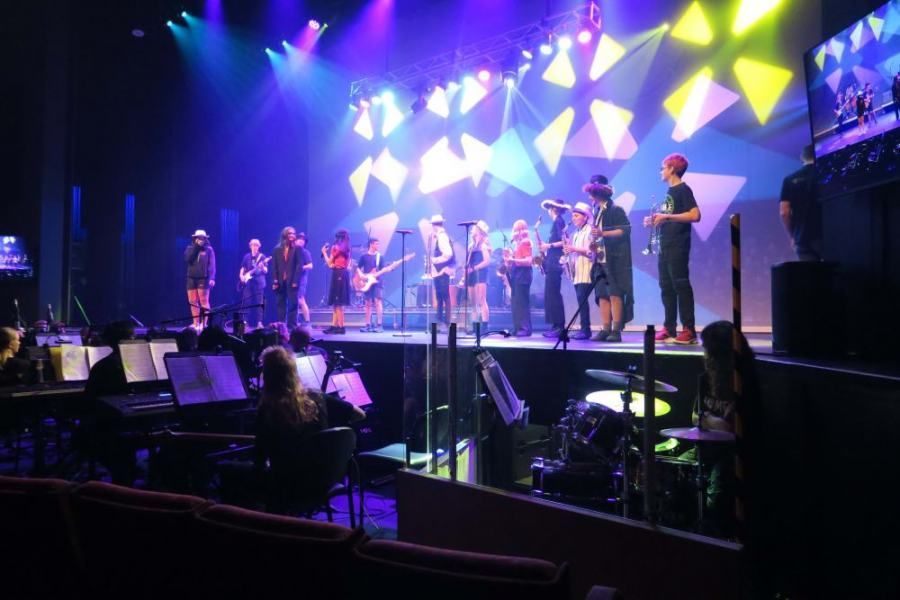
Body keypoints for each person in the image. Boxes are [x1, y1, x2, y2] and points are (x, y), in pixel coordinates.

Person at [689, 320, 759, 539]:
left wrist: (707, 420)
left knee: (717, 492)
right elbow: (694, 417)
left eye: (707, 350)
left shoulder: (743, 384)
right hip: (706, 447)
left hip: (733, 455)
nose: (704, 355)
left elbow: (732, 428)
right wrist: (710, 421)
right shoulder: (705, 380)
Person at [254, 346, 365, 473]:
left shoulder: (268, 409)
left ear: (267, 375)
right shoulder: (317, 396)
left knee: (228, 468)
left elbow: (259, 460)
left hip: (288, 483)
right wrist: (331, 431)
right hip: (325, 478)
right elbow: (360, 414)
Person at [645, 154, 702, 344]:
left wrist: (666, 217)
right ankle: (669, 328)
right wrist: (656, 221)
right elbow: (669, 216)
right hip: (665, 245)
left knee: (681, 285)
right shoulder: (669, 192)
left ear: (672, 169)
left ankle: (689, 330)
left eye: (663, 167)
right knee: (666, 287)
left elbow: (695, 215)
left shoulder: (683, 189)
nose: (661, 171)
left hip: (678, 245)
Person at [584, 178, 634, 343]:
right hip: (600, 259)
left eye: (591, 194)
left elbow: (625, 230)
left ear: (597, 194)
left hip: (614, 261)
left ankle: (616, 330)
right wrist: (594, 244)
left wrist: (603, 234)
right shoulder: (598, 211)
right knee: (602, 295)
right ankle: (605, 329)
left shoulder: (615, 209)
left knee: (614, 294)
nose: (590, 197)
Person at [780, 144, 822, 262]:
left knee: (811, 277)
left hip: (802, 238)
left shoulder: (789, 180)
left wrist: (793, 235)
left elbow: (784, 212)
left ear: (802, 157)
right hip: (826, 235)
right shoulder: (823, 173)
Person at [564, 202, 594, 340]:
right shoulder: (576, 233)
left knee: (582, 301)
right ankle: (583, 328)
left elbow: (590, 251)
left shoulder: (589, 230)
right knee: (580, 300)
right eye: (573, 216)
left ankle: (586, 330)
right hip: (577, 271)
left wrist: (574, 249)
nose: (573, 218)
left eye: (576, 216)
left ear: (585, 217)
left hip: (586, 270)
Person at [538, 200, 568, 338]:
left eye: (550, 209)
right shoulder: (557, 222)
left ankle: (559, 326)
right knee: (551, 294)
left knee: (554, 294)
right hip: (552, 262)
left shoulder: (559, 222)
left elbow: (564, 241)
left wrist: (548, 246)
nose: (548, 211)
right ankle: (555, 325)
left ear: (554, 209)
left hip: (555, 263)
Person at [505, 219, 534, 337]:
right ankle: (517, 327)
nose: (514, 232)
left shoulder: (526, 242)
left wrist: (513, 260)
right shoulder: (518, 244)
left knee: (522, 302)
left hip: (524, 274)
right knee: (516, 301)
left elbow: (528, 261)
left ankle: (525, 328)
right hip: (517, 274)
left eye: (516, 230)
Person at [429, 215, 456, 332]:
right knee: (440, 297)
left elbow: (448, 253)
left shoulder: (442, 237)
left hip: (442, 271)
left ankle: (445, 322)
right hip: (440, 272)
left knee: (444, 297)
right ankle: (440, 321)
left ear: (434, 226)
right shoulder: (440, 236)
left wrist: (435, 260)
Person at [184, 230, 216, 329]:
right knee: (192, 301)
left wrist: (212, 278)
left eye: (202, 238)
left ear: (205, 239)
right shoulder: (190, 248)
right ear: (195, 238)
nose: (201, 239)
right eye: (199, 237)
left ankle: (204, 323)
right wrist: (196, 247)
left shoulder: (209, 249)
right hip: (191, 278)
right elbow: (187, 259)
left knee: (204, 301)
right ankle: (196, 323)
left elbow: (212, 265)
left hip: (204, 279)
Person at [271, 227, 301, 329]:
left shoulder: (297, 248)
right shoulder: (277, 249)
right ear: (285, 235)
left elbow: (299, 265)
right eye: (290, 233)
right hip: (280, 281)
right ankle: (281, 325)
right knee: (280, 303)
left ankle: (292, 325)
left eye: (294, 233)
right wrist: (275, 281)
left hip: (292, 281)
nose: (292, 235)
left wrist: (296, 280)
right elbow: (274, 266)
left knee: (293, 303)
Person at [464, 221, 492, 333]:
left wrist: (475, 268)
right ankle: (475, 326)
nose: (473, 230)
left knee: (481, 300)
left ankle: (485, 325)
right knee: (473, 302)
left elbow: (487, 261)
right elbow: (467, 263)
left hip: (480, 273)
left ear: (480, 231)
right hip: (472, 275)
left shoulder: (483, 246)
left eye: (475, 228)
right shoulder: (471, 246)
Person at [321, 230, 351, 334]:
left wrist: (324, 253)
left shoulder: (336, 248)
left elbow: (329, 263)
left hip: (338, 274)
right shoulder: (347, 248)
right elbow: (346, 264)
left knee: (338, 303)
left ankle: (341, 327)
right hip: (343, 273)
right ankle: (334, 326)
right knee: (336, 303)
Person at [239, 239, 268, 330]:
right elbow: (242, 268)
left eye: (256, 245)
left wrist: (263, 267)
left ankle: (259, 322)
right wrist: (241, 276)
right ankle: (245, 322)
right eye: (253, 245)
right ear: (250, 246)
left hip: (259, 283)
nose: (254, 247)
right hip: (248, 283)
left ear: (259, 246)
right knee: (246, 302)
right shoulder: (247, 256)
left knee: (259, 303)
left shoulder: (262, 257)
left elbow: (266, 271)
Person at [357, 238, 385, 332]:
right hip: (367, 282)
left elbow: (383, 270)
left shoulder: (380, 257)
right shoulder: (364, 256)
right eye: (376, 244)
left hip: (377, 282)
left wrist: (377, 273)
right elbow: (358, 268)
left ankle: (379, 325)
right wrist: (361, 277)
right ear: (371, 244)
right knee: (368, 303)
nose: (378, 246)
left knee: (378, 302)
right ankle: (367, 325)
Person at [294, 232, 313, 326]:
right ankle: (295, 320)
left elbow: (311, 265)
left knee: (300, 299)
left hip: (301, 279)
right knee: (294, 300)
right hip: (292, 279)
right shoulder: (292, 251)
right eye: (299, 239)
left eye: (303, 240)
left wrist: (302, 267)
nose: (301, 241)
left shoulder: (305, 252)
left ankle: (307, 321)